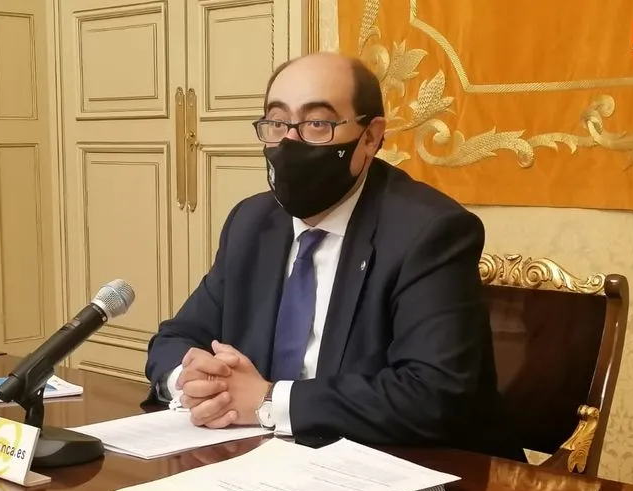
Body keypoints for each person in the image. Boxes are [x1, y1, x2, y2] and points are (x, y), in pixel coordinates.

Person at [144, 52, 519, 459]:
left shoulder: (429, 232)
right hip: (266, 465)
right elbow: (175, 338)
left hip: (412, 475)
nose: (290, 141)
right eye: (276, 122)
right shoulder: (253, 222)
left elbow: (432, 394)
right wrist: (193, 381)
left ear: (371, 137)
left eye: (316, 124)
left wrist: (269, 400)